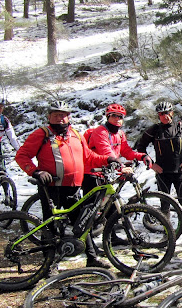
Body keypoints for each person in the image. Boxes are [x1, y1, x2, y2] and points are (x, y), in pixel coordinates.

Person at [15, 100, 124, 268]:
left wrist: (108, 159)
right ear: (49, 117)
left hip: (73, 187)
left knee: (82, 224)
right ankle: (49, 265)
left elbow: (88, 156)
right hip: (51, 188)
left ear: (68, 117)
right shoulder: (41, 134)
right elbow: (22, 155)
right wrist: (36, 171)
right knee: (50, 226)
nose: (60, 118)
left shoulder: (75, 135)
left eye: (63, 115)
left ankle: (92, 258)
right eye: (56, 115)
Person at [82, 103, 152, 246]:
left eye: (120, 117)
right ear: (108, 116)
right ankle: (88, 244)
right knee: (91, 211)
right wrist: (121, 168)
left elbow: (126, 152)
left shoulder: (119, 133)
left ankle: (112, 238)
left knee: (111, 208)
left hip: (107, 173)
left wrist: (142, 156)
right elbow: (106, 153)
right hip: (92, 173)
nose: (117, 119)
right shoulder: (100, 132)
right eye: (114, 116)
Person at [135, 101, 182, 247]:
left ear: (172, 113)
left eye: (167, 113)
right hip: (162, 173)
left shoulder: (181, 128)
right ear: (158, 116)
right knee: (165, 205)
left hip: (179, 172)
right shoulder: (154, 130)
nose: (165, 116)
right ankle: (167, 234)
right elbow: (140, 147)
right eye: (161, 114)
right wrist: (151, 164)